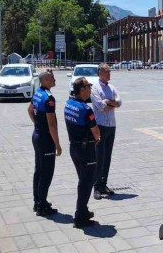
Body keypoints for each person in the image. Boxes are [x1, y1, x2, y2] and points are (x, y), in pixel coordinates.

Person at [64, 77, 101, 228]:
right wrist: (97, 138)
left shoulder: (69, 104)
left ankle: (83, 210)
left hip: (74, 148)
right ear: (82, 89)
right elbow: (96, 132)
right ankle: (80, 217)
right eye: (88, 86)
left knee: (83, 180)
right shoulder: (86, 109)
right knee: (86, 183)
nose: (90, 89)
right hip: (86, 150)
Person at [27, 71, 62, 216]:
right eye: (52, 78)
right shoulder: (49, 99)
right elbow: (52, 124)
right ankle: (42, 205)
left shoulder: (37, 93)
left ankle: (38, 201)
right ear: (46, 80)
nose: (55, 80)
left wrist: (37, 124)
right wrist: (58, 145)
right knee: (46, 173)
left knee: (39, 170)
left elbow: (29, 110)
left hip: (36, 136)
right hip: (46, 140)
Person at [90, 63, 122, 199]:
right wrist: (111, 103)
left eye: (109, 71)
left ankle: (103, 183)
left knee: (107, 156)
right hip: (100, 125)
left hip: (111, 126)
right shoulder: (95, 88)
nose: (109, 74)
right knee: (99, 156)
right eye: (107, 71)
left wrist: (110, 103)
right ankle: (96, 186)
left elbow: (119, 102)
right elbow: (100, 105)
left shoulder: (111, 87)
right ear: (100, 73)